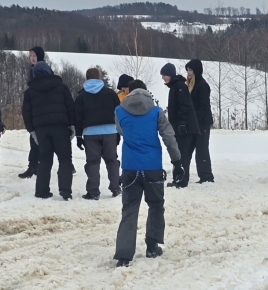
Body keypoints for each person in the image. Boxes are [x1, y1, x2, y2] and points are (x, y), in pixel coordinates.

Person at [113, 87, 183, 267]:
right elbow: (169, 137)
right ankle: (152, 245)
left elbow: (121, 131)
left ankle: (123, 256)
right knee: (156, 205)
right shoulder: (156, 112)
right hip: (152, 167)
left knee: (129, 209)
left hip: (130, 167)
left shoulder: (119, 111)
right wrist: (177, 161)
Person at [22, 61, 77, 200]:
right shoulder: (61, 86)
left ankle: (41, 191)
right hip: (60, 127)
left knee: (45, 159)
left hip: (41, 129)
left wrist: (31, 130)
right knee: (65, 158)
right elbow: (70, 107)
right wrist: (72, 125)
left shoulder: (30, 91)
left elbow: (26, 113)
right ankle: (65, 189)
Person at [75, 67, 121, 200]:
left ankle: (93, 192)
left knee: (93, 162)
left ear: (87, 78)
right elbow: (118, 113)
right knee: (112, 160)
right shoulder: (110, 93)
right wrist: (118, 132)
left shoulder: (81, 96)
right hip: (110, 132)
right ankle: (116, 188)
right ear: (99, 77)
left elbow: (77, 117)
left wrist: (78, 136)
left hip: (90, 133)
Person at [161, 63, 199, 188]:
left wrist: (182, 123)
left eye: (164, 75)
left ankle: (181, 180)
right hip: (179, 127)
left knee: (182, 154)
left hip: (185, 128)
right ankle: (179, 178)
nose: (163, 78)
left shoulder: (179, 86)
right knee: (180, 153)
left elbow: (185, 105)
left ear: (170, 75)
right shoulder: (175, 87)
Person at [185, 59, 215, 183]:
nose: (188, 72)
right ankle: (184, 174)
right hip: (194, 122)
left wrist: (194, 118)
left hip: (202, 122)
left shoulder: (202, 86)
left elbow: (204, 106)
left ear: (196, 71)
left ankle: (206, 176)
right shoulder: (190, 85)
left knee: (201, 149)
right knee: (187, 148)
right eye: (187, 70)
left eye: (191, 70)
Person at [19, 46, 46, 179]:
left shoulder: (42, 69)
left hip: (43, 108)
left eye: (34, 56)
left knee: (41, 139)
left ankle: (36, 165)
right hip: (35, 106)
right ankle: (33, 165)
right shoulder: (32, 69)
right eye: (30, 55)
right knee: (34, 139)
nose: (32, 58)